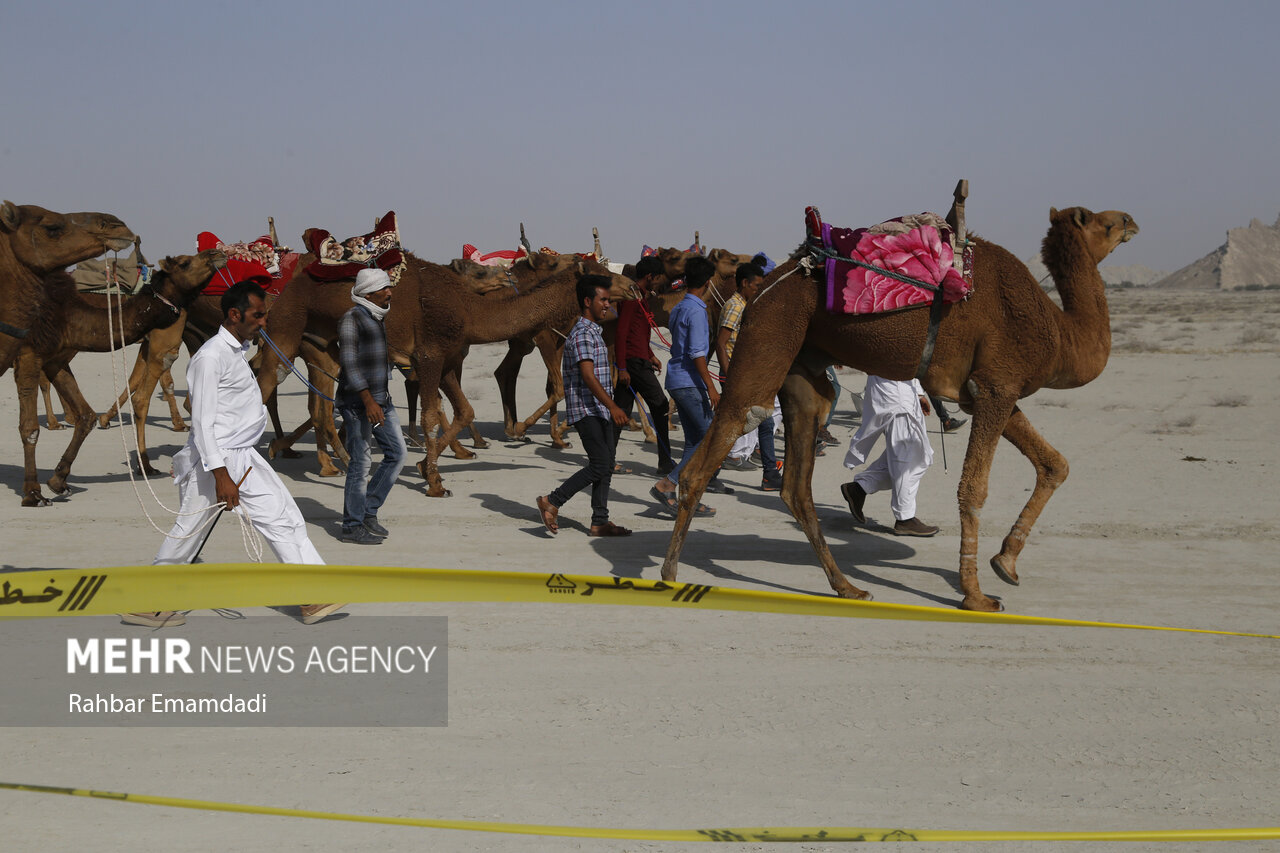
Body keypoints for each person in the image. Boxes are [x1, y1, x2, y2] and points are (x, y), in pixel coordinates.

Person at [137, 281, 343, 628]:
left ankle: (314, 594)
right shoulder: (211, 357)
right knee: (189, 530)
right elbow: (201, 422)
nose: (263, 322)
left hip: (242, 456)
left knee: (282, 518)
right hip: (218, 458)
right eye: (257, 315)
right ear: (235, 315)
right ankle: (151, 603)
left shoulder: (235, 352)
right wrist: (220, 475)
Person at [535, 274, 632, 537]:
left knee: (606, 464)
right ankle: (553, 501)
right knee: (600, 464)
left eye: (608, 300)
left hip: (599, 409)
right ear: (587, 301)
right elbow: (588, 376)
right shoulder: (582, 335)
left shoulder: (594, 332)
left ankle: (600, 521)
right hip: (587, 409)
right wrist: (613, 406)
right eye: (603, 300)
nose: (607, 305)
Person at [336, 268, 407, 545]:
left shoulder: (376, 316)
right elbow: (350, 365)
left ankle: (368, 511)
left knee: (397, 454)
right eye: (384, 289)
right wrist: (368, 401)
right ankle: (352, 526)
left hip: (381, 401)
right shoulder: (352, 319)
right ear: (368, 293)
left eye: (389, 288)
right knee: (360, 464)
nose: (389, 293)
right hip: (359, 405)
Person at [649, 255, 725, 516]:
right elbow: (697, 354)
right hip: (690, 382)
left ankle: (688, 497)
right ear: (707, 282)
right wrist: (712, 388)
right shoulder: (696, 311)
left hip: (678, 380)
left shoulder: (680, 307)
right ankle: (667, 484)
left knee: (695, 441)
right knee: (707, 441)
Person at [838, 374, 939, 537]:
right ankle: (905, 519)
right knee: (906, 459)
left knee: (919, 456)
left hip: (904, 388)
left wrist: (918, 392)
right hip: (894, 391)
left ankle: (860, 488)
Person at [715, 262, 781, 491]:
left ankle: (770, 473)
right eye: (756, 286)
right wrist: (730, 376)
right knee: (730, 426)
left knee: (763, 422)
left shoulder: (746, 304)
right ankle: (709, 471)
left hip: (747, 376)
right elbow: (721, 344)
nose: (758, 290)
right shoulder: (735, 307)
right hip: (738, 377)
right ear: (744, 283)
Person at [611, 255, 674, 476]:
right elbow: (621, 332)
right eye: (658, 279)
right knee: (660, 405)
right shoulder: (631, 298)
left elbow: (638, 332)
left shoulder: (641, 298)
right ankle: (665, 462)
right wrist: (621, 368)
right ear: (650, 277)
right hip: (633, 363)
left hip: (638, 359)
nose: (659, 283)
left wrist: (650, 355)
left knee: (621, 412)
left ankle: (605, 460)